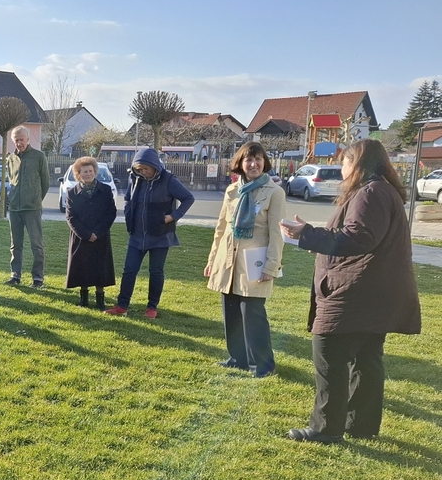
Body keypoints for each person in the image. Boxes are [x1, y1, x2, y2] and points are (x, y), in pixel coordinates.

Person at [280, 139, 421, 443]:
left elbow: (359, 238)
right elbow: (357, 237)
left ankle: (325, 428)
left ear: (357, 163)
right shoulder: (381, 190)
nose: (341, 167)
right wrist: (318, 239)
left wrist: (308, 234)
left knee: (328, 352)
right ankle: (360, 424)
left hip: (357, 291)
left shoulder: (371, 192)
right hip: (375, 291)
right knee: (367, 358)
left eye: (344, 161)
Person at [205, 142, 286, 377]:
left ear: (264, 163)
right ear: (240, 163)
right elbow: (221, 228)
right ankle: (237, 358)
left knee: (253, 314)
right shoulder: (232, 190)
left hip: (255, 262)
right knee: (231, 312)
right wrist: (212, 259)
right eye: (248, 159)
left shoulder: (274, 192)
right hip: (228, 260)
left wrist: (271, 266)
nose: (253, 164)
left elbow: (277, 234)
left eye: (258, 159)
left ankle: (263, 365)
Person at [106, 147, 195, 318]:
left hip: (160, 235)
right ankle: (122, 306)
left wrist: (173, 216)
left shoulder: (169, 180)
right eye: (139, 169)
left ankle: (152, 308)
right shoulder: (135, 179)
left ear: (155, 166)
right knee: (129, 270)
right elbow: (128, 198)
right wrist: (129, 214)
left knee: (156, 271)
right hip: (136, 235)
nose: (143, 172)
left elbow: (188, 198)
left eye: (146, 168)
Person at [65, 156, 116, 309]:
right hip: (81, 236)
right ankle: (84, 300)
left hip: (101, 236)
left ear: (95, 172)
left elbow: (111, 213)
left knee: (101, 268)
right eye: (84, 171)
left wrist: (97, 233)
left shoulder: (106, 190)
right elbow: (71, 217)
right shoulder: (72, 193)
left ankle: (100, 300)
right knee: (83, 268)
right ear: (78, 174)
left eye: (90, 171)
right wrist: (86, 234)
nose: (88, 174)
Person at [5, 126, 49, 288]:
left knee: (36, 245)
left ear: (28, 139)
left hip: (32, 208)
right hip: (14, 208)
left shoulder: (39, 156)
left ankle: (38, 278)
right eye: (16, 140)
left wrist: (35, 199)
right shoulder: (11, 158)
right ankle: (15, 275)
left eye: (21, 139)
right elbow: (11, 181)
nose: (19, 143)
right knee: (15, 244)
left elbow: (45, 183)